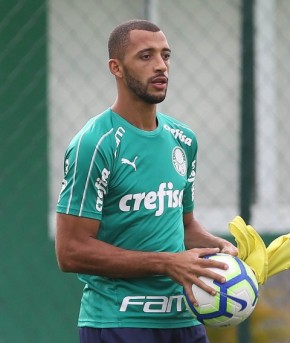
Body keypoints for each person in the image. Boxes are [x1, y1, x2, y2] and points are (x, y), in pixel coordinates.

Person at [55, 19, 238, 343]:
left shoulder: (183, 139)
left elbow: (183, 226)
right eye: (145, 56)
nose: (161, 66)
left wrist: (219, 247)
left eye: (165, 56)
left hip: (185, 321)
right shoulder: (95, 144)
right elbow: (70, 251)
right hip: (118, 322)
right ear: (117, 68)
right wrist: (166, 263)